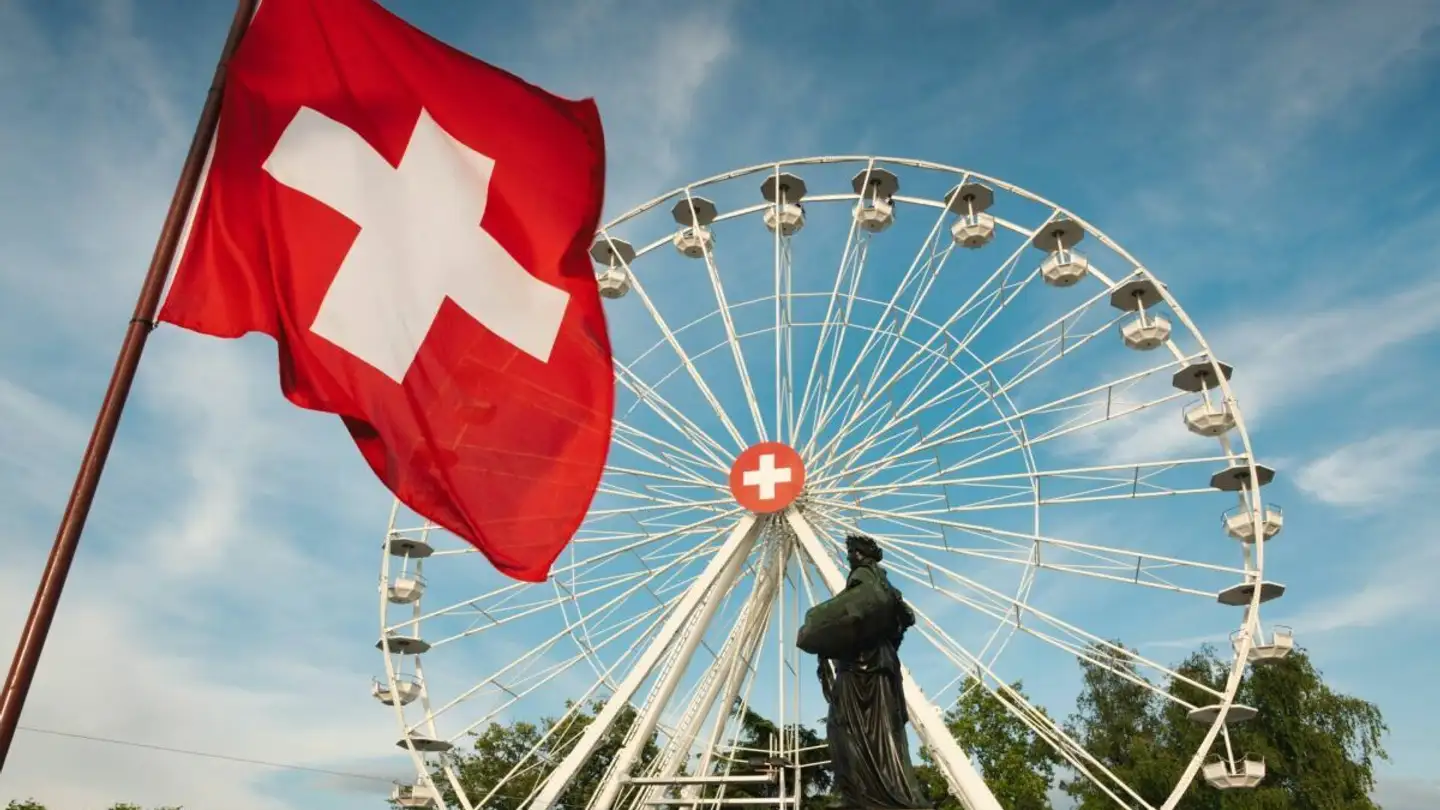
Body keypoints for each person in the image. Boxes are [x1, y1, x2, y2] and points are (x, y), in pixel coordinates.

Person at [817, 534, 930, 809]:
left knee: (844, 728)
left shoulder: (863, 581)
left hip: (860, 671)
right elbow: (906, 617)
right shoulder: (886, 586)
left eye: (851, 552)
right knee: (883, 732)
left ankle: (863, 794)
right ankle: (884, 790)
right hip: (882, 666)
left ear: (860, 555)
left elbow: (852, 615)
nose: (848, 557)